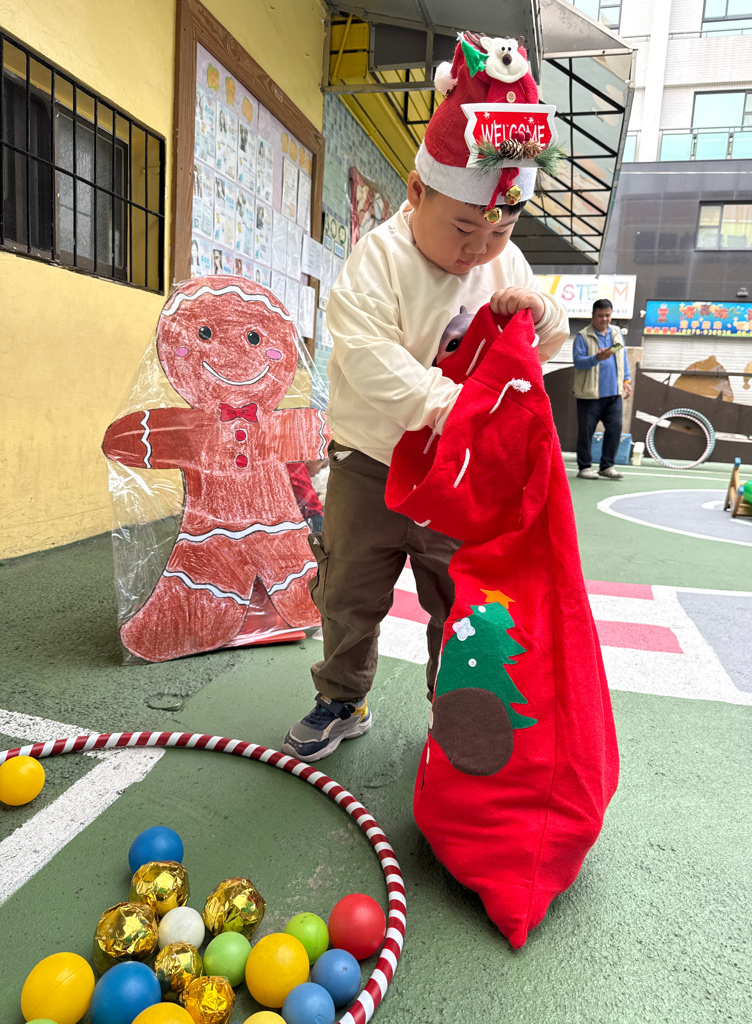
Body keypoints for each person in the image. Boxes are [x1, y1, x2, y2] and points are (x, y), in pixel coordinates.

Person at [282, 32, 569, 762]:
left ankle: (454, 709)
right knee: (348, 590)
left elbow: (538, 352)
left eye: (501, 229)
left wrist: (540, 316)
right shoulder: (378, 258)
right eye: (465, 227)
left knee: (461, 598)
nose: (480, 248)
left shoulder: (505, 260)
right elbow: (368, 358)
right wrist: (452, 406)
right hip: (369, 464)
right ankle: (342, 696)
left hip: (459, 474)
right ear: (417, 193)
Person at [572, 299, 632, 480]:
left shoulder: (616, 333)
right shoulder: (583, 336)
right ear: (593, 315)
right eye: (600, 316)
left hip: (614, 393)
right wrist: (596, 358)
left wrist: (626, 380)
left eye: (608, 315)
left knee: (615, 429)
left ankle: (607, 466)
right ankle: (584, 467)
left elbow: (623, 357)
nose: (604, 319)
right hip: (589, 394)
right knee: (586, 432)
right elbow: (578, 362)